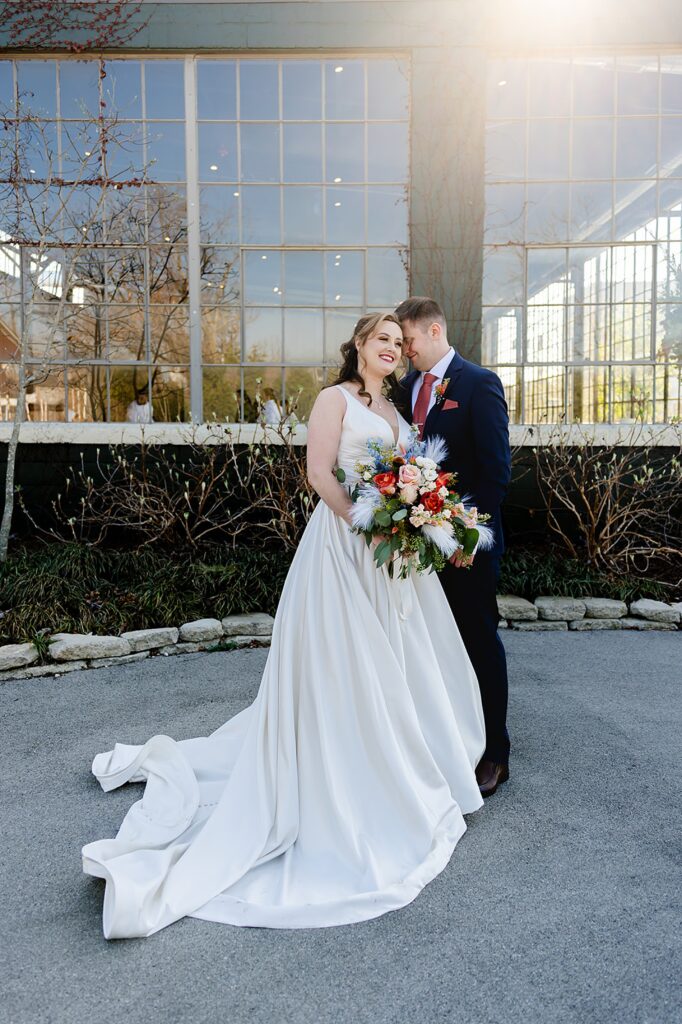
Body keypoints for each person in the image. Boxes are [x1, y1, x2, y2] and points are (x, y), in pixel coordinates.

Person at [82, 312, 485, 939]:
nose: (390, 348)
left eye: (395, 343)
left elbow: (410, 471)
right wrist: (365, 522)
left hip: (389, 556)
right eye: (380, 339)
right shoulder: (334, 399)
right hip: (344, 546)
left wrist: (415, 519)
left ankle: (404, 755)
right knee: (346, 659)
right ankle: (343, 761)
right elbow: (319, 472)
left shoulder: (397, 403)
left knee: (397, 658)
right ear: (357, 345)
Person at [395, 296, 512, 798]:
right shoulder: (404, 390)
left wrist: (466, 533)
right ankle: (446, 741)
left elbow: (495, 471)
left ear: (435, 330)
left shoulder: (478, 383)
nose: (404, 352)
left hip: (466, 544)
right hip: (414, 545)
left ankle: (495, 752)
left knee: (477, 640)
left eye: (409, 341)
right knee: (430, 646)